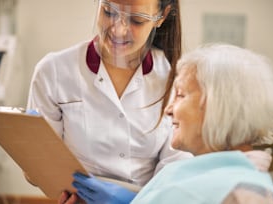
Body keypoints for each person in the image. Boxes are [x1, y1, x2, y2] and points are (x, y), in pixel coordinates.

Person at [72, 44, 273, 203]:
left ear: (219, 107)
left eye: (180, 95)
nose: (168, 109)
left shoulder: (243, 194)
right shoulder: (199, 173)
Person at [27, 0, 193, 202]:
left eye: (137, 20)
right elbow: (37, 169)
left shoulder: (176, 79)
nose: (118, 29)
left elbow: (177, 169)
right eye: (108, 12)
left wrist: (134, 200)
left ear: (162, 17)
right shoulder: (53, 71)